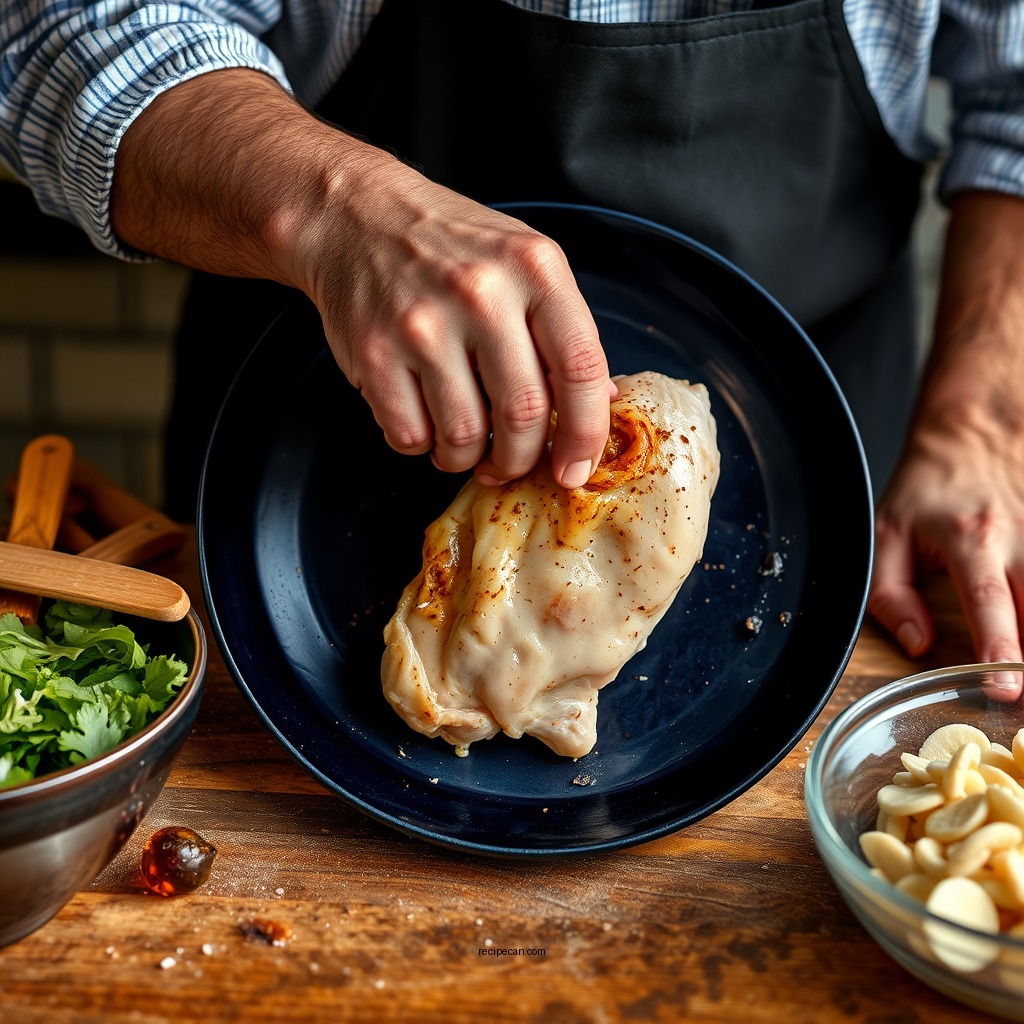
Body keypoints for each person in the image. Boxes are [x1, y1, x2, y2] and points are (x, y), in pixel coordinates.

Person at [2, 0, 1023, 685]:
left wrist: (982, 412)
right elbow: (54, 22)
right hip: (301, 485)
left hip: (834, 501)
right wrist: (328, 203)